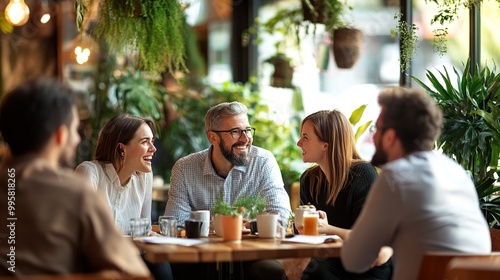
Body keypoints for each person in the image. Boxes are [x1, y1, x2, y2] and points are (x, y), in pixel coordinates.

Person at [0, 78, 149, 276]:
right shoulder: (74, 193)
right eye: (75, 130)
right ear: (61, 136)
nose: (78, 139)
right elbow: (136, 273)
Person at [341, 87, 491, 280]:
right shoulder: (456, 171)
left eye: (376, 128)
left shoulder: (396, 177)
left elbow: (353, 260)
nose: (373, 136)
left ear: (390, 136)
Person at [164, 101, 291, 280]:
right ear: (212, 137)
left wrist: (244, 225)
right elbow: (175, 222)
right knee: (178, 269)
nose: (245, 138)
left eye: (247, 130)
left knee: (270, 272)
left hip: (250, 254)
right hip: (201, 256)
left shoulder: (263, 161)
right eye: (235, 132)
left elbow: (282, 215)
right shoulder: (185, 168)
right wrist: (218, 226)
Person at [75, 114, 173, 280]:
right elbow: (84, 237)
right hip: (95, 262)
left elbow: (144, 230)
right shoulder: (90, 173)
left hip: (130, 258)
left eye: (152, 141)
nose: (153, 148)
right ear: (122, 149)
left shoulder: (144, 177)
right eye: (145, 142)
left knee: (161, 265)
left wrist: (152, 237)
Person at [296, 110, 392, 280]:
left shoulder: (362, 174)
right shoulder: (309, 180)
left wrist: (327, 229)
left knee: (316, 273)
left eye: (305, 137)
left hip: (366, 267)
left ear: (325, 145)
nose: (298, 143)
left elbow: (369, 238)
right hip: (331, 261)